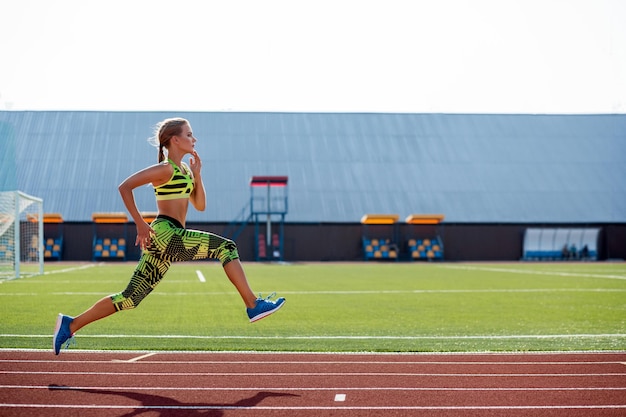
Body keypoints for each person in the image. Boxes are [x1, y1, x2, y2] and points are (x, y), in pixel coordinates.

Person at [53, 117, 285, 355]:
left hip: (168, 238)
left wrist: (198, 175)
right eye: (189, 134)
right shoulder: (165, 169)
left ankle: (70, 325)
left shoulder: (184, 170)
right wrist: (140, 223)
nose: (194, 139)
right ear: (175, 140)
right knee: (226, 247)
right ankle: (253, 304)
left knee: (130, 299)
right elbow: (124, 187)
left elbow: (200, 205)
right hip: (165, 233)